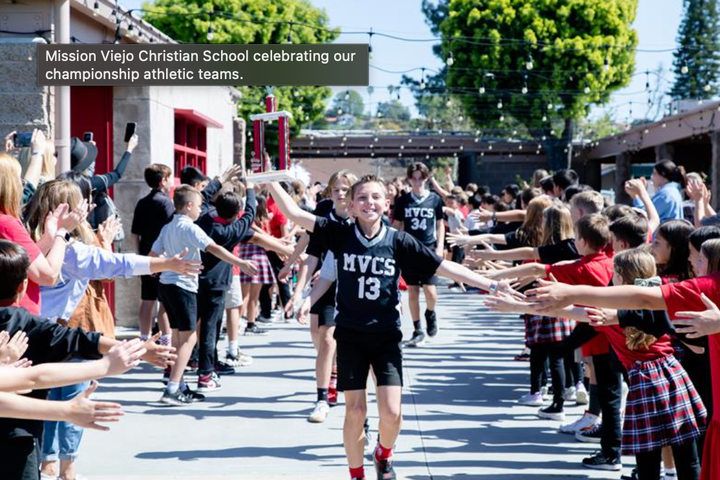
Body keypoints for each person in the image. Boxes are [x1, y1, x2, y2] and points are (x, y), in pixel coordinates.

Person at [265, 174, 517, 480]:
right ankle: (356, 474)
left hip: (386, 336)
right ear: (352, 206)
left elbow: (443, 266)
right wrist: (269, 179)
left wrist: (491, 284)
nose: (369, 202)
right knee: (355, 411)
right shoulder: (339, 232)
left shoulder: (398, 240)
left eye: (375, 197)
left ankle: (383, 453)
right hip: (351, 334)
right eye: (362, 198)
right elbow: (294, 214)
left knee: (392, 413)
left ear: (387, 204)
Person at [0, 239, 176, 480]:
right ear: (23, 286)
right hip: (18, 440)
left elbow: (35, 376)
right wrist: (134, 352)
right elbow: (82, 341)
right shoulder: (32, 325)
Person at [151, 178, 257, 406]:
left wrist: (163, 267)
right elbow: (215, 248)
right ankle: (171, 389)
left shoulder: (168, 226)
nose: (201, 209)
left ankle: (178, 384)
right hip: (183, 287)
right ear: (188, 206)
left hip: (166, 285)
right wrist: (241, 262)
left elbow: (153, 255)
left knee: (180, 337)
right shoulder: (190, 227)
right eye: (199, 205)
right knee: (189, 338)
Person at [392, 163, 445, 347]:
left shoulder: (435, 199)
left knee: (430, 291)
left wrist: (440, 246)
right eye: (413, 178)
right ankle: (417, 329)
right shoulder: (403, 201)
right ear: (409, 179)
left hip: (429, 249)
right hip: (409, 250)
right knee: (412, 292)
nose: (417, 181)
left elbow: (440, 224)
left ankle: (430, 312)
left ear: (426, 178)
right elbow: (397, 225)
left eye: (420, 178)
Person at [131, 164, 175, 350]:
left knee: (147, 300)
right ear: (162, 181)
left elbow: (135, 233)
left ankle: (143, 340)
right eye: (169, 177)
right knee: (164, 302)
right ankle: (166, 342)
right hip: (162, 258)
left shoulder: (142, 202)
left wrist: (138, 256)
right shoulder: (166, 203)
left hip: (144, 258)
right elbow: (170, 231)